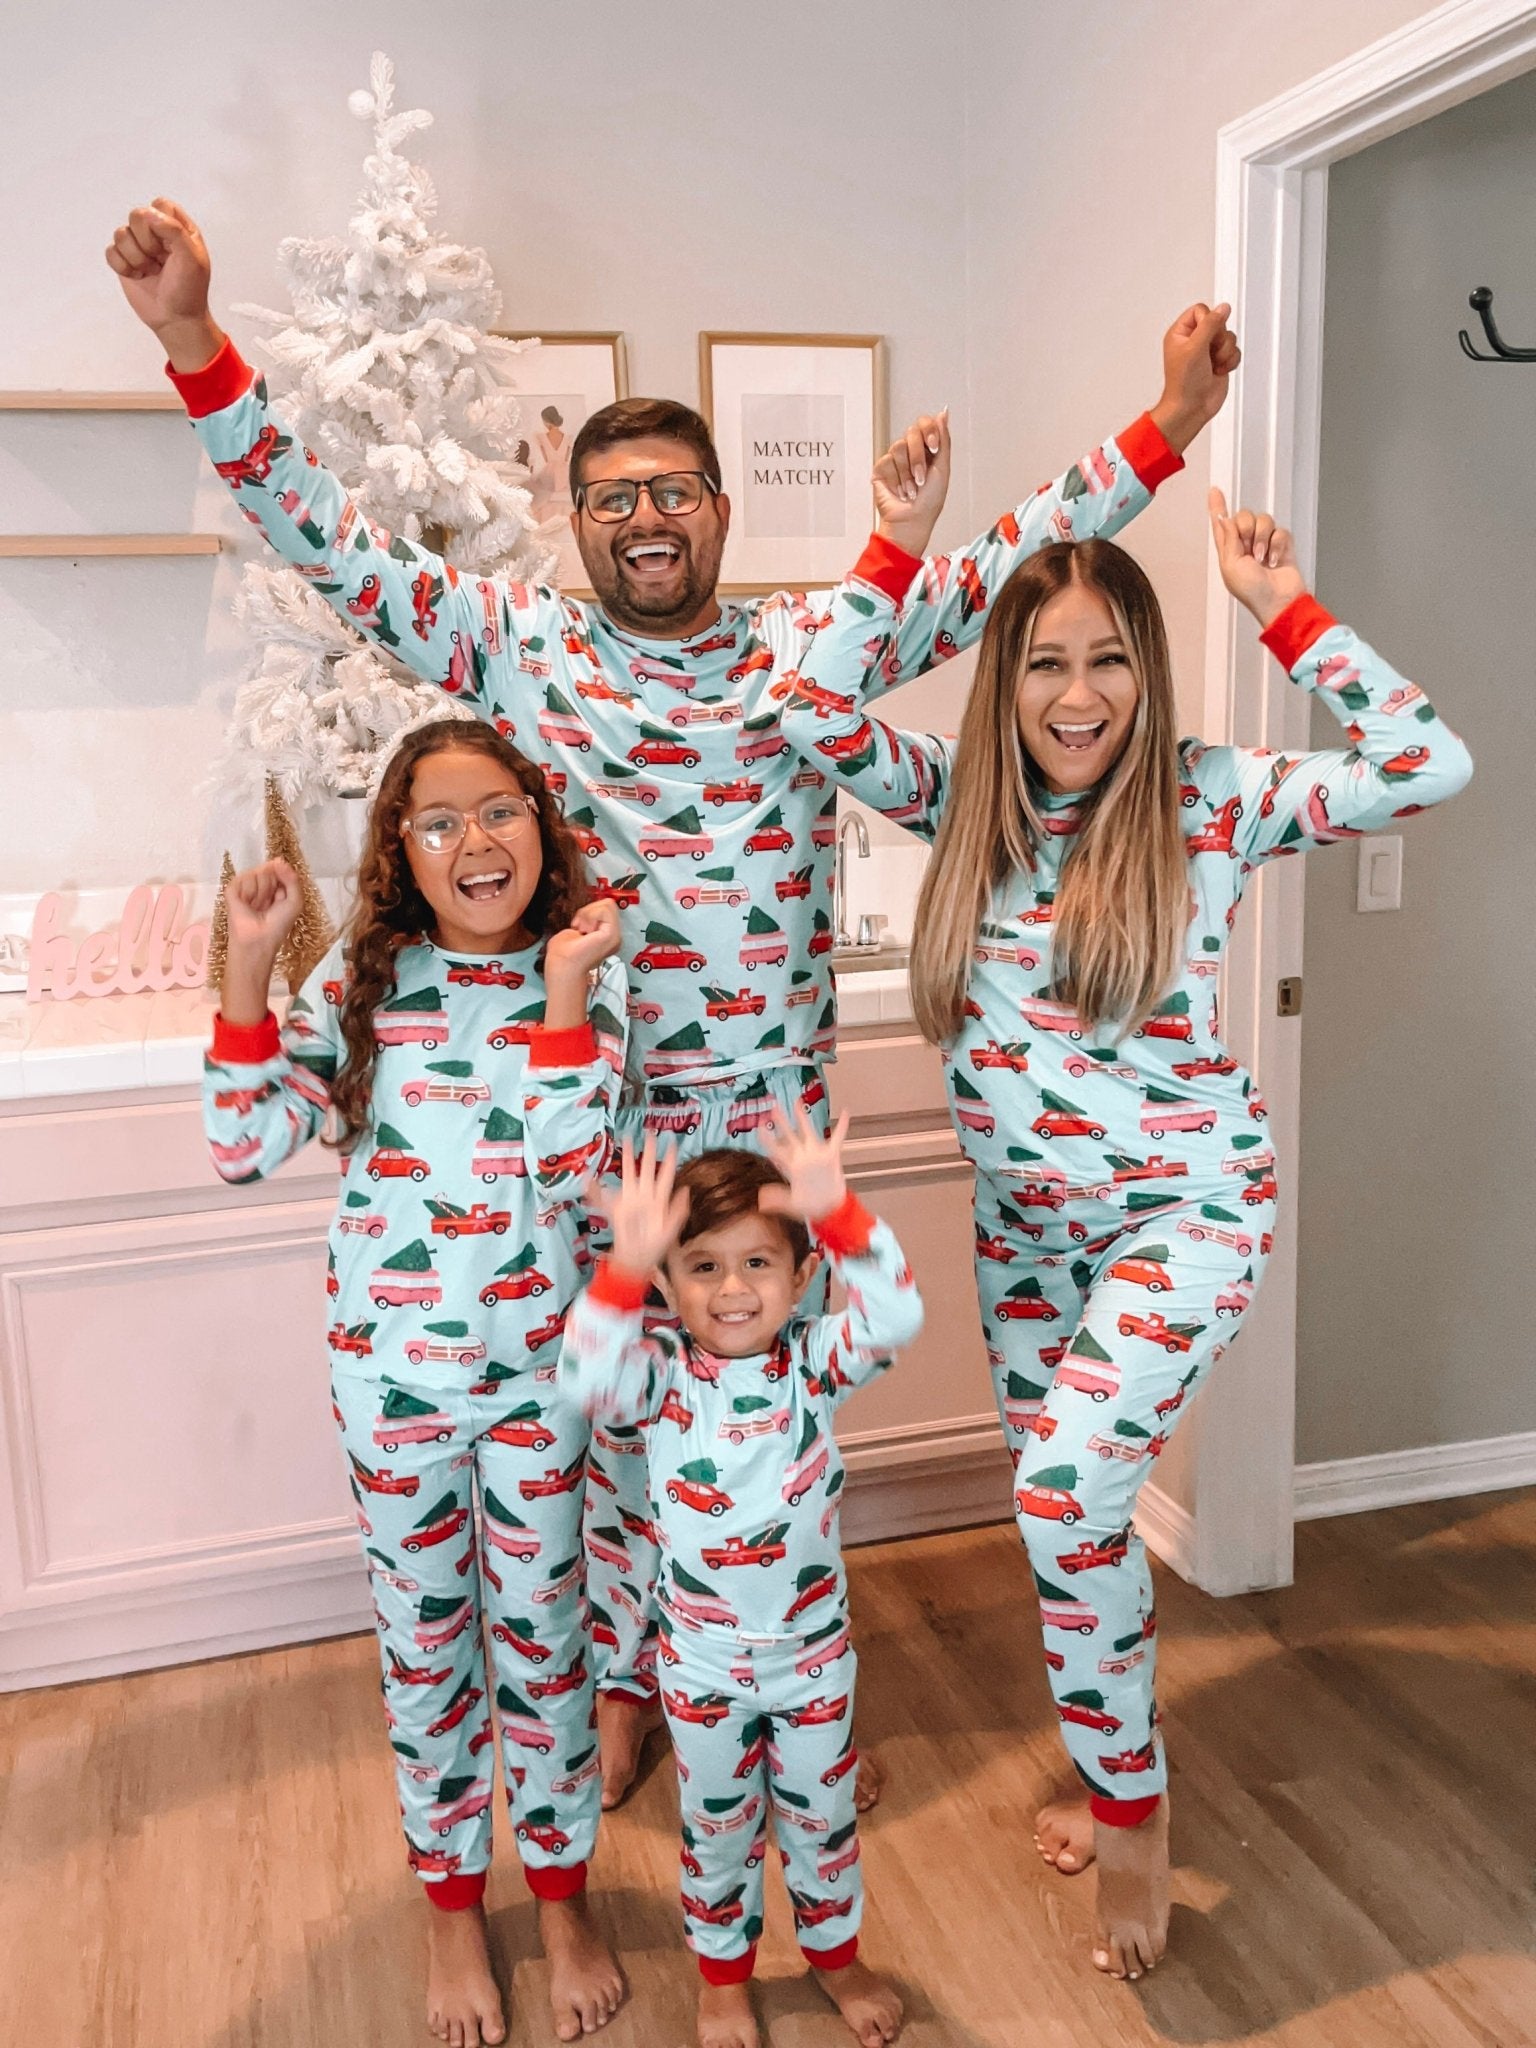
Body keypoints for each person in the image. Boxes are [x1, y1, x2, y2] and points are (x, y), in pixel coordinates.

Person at [108, 195, 1236, 1803]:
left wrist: (1168, 427)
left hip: (775, 1128)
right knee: (624, 1432)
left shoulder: (811, 655)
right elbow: (332, 543)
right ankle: (638, 1689)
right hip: (602, 1114)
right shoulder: (513, 650)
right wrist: (193, 345)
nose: (647, 517)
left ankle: (783, 1702)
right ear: (575, 521)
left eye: (675, 491)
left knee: (776, 1425)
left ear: (719, 511)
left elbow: (998, 574)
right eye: (614, 496)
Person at [778, 475, 1473, 1980]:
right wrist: (898, 541)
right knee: (1070, 1528)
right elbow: (812, 707)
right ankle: (1113, 1772)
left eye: (1109, 658)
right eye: (1044, 661)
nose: (1079, 693)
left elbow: (1431, 762)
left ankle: (1140, 1819)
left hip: (1189, 1210)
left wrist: (1283, 610)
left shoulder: (1208, 798)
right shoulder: (969, 806)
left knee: (1060, 1492)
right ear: (1004, 682)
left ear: (1147, 675)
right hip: (1025, 1234)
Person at [204, 717, 628, 2047]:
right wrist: (249, 967)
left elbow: (571, 1178)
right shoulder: (364, 987)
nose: (473, 842)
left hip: (536, 1392)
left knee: (548, 1647)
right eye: (439, 821)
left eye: (497, 811)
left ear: (540, 826)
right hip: (392, 1392)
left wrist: (563, 998)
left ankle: (560, 1895)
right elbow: (243, 1142)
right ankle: (454, 1907)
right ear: (402, 848)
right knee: (426, 1652)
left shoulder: (587, 982)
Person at [560, 1121, 921, 2048]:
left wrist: (835, 1211)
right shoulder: (660, 1377)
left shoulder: (813, 1362)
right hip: (701, 1667)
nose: (732, 1289)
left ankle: (834, 1958)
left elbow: (897, 1318)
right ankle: (722, 1977)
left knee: (824, 1822)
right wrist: (621, 1268)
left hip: (814, 1665)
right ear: (671, 1289)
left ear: (801, 1280)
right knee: (717, 1832)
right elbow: (583, 1374)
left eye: (758, 1262)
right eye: (704, 1268)